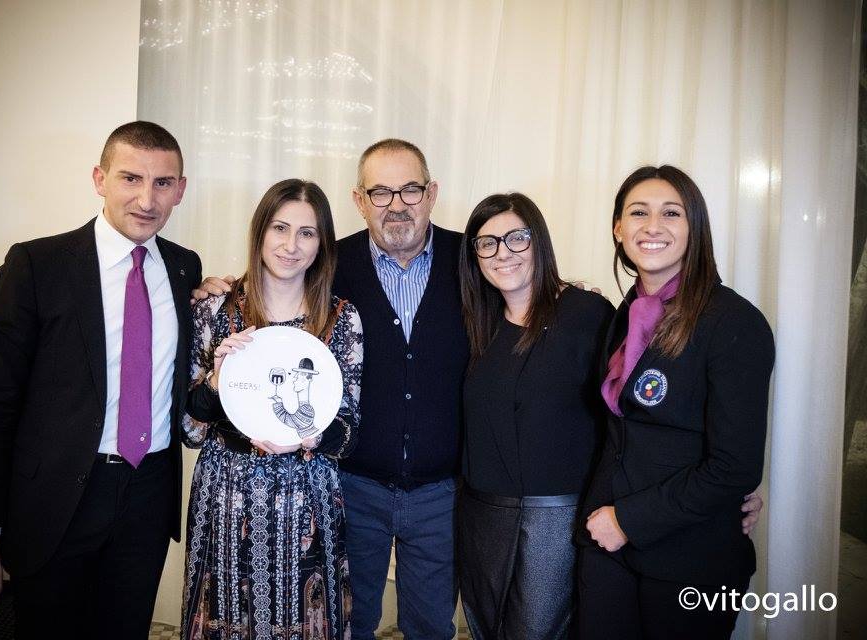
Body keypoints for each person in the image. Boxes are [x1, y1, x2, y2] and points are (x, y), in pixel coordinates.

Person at [192, 141, 765, 640]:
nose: (397, 204)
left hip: (445, 493)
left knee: (432, 625)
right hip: (356, 485)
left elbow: (546, 324)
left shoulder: (470, 261)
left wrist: (718, 488)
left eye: (410, 189)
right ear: (360, 199)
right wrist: (223, 286)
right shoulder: (329, 263)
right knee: (352, 619)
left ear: (432, 192)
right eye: (381, 192)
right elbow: (277, 285)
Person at [0, 121, 201, 639]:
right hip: (57, 500)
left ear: (180, 189)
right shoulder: (37, 266)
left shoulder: (184, 269)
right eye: (131, 178)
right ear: (100, 179)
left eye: (162, 183)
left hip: (148, 495)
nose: (146, 199)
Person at [578, 165, 775, 640]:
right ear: (618, 228)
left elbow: (734, 468)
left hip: (690, 557)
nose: (652, 226)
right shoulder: (622, 315)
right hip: (606, 549)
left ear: (696, 228)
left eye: (672, 213)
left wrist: (629, 520)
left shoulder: (734, 323)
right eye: (638, 212)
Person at [180, 178, 363, 639]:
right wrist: (217, 383)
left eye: (307, 233)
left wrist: (315, 435)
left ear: (322, 244)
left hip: (308, 502)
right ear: (260, 232)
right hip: (226, 496)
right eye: (280, 228)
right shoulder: (214, 310)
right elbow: (190, 428)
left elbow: (350, 431)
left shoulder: (342, 318)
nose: (290, 245)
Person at [457, 192, 613, 639]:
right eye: (487, 243)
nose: (502, 252)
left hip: (556, 520)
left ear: (539, 241)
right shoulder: (477, 322)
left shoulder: (587, 314)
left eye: (516, 238)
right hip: (481, 515)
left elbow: (625, 419)